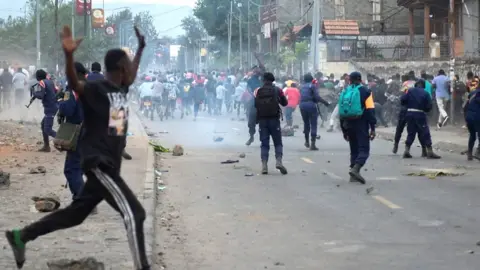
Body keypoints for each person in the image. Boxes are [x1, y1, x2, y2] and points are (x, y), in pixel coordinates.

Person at [5, 25, 150, 270]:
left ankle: (22, 236)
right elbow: (75, 83)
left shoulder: (120, 89)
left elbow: (133, 75)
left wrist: (140, 49)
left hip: (108, 163)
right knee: (135, 214)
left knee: (75, 214)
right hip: (99, 162)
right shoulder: (97, 88)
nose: (133, 71)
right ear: (121, 69)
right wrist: (69, 55)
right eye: (129, 65)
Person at [338, 72, 376, 184]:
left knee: (353, 149)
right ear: (360, 79)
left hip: (348, 124)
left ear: (349, 80)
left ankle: (352, 175)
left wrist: (344, 130)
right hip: (361, 124)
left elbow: (341, 112)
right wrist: (372, 127)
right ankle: (356, 169)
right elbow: (370, 110)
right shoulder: (366, 91)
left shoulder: (345, 91)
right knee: (364, 149)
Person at [57, 62, 87, 200]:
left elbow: (67, 110)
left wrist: (61, 101)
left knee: (71, 169)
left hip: (78, 132)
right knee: (80, 167)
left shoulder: (72, 90)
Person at [254, 72, 288, 175]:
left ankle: (264, 166)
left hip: (262, 120)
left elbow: (255, 105)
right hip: (274, 120)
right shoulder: (278, 90)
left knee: (264, 144)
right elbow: (285, 103)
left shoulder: (258, 91)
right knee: (277, 142)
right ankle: (278, 161)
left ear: (263, 80)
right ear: (272, 80)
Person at [401, 79, 441, 159]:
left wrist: (409, 106)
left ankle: (406, 151)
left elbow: (402, 100)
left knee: (411, 133)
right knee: (425, 132)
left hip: (409, 114)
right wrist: (425, 110)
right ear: (423, 86)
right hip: (420, 114)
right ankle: (430, 151)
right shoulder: (425, 93)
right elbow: (429, 106)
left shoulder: (410, 91)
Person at [299, 74, 330, 150]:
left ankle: (307, 142)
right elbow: (317, 97)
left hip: (302, 105)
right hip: (311, 105)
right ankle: (313, 144)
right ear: (311, 79)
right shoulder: (312, 86)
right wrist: (325, 102)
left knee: (306, 123)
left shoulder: (301, 87)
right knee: (313, 124)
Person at [31, 69, 58, 152]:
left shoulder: (42, 82)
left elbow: (41, 95)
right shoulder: (50, 81)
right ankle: (46, 146)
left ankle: (65, 140)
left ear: (38, 76)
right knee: (43, 125)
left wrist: (34, 92)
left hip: (50, 107)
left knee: (47, 129)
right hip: (53, 105)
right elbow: (56, 90)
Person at [464, 84, 480, 160]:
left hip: (469, 116)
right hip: (477, 116)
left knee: (472, 135)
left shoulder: (472, 93)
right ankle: (477, 153)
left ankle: (470, 153)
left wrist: (465, 118)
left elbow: (465, 106)